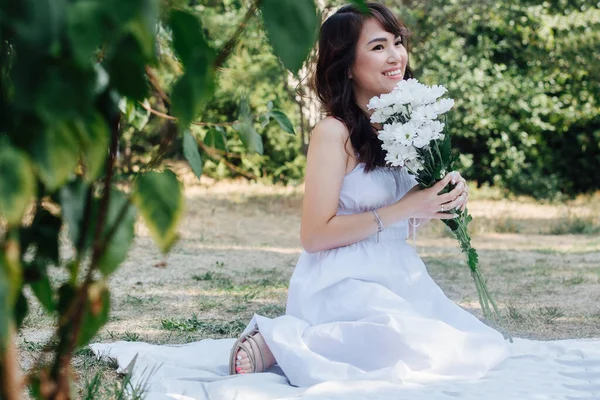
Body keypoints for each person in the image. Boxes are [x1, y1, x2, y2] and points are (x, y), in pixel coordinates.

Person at [229, 2, 509, 386]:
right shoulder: (333, 133)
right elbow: (314, 237)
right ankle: (280, 340)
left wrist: (438, 200)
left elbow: (404, 220)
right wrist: (402, 208)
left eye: (397, 42)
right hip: (341, 279)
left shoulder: (404, 123)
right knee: (405, 345)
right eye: (378, 47)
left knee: (471, 348)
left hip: (399, 274)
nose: (395, 56)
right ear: (346, 64)